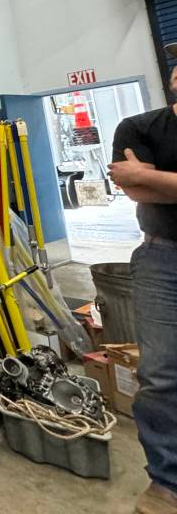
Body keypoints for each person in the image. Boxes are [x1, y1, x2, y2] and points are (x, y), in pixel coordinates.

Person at [108, 46, 177, 514]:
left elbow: (147, 181)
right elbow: (132, 185)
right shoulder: (138, 127)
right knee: (161, 374)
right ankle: (167, 482)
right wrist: (143, 178)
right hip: (162, 262)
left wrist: (157, 178)